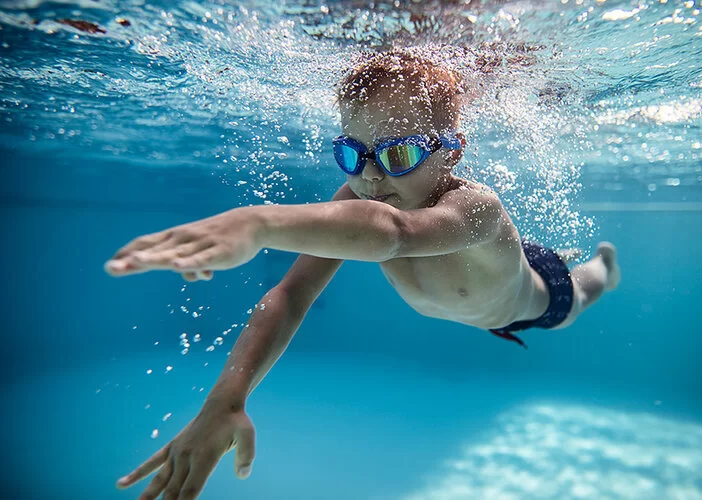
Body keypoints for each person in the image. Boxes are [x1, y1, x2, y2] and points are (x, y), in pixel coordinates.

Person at [106, 50, 620, 500]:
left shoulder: (476, 207)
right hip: (478, 283)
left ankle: (603, 265)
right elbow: (289, 296)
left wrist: (258, 223)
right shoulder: (363, 195)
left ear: (453, 150)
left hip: (533, 297)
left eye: (399, 154)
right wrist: (226, 400)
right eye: (352, 153)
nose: (370, 175)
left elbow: (395, 232)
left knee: (579, 294)